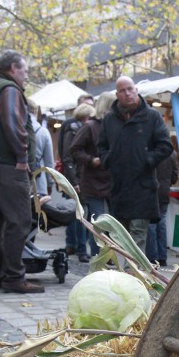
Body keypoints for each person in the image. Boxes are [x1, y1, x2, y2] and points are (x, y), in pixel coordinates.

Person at [0, 48, 43, 294]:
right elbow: (13, 123)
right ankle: (14, 277)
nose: (26, 75)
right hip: (7, 166)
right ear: (13, 69)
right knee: (19, 220)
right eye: (24, 70)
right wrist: (22, 157)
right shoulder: (9, 89)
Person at [98, 75, 172, 253]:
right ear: (117, 95)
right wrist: (108, 159)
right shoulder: (109, 119)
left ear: (136, 90)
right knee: (122, 237)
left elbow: (165, 145)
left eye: (130, 89)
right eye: (122, 91)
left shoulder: (152, 116)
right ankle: (129, 268)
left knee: (137, 237)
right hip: (119, 188)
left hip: (143, 187)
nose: (127, 93)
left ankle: (132, 269)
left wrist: (147, 159)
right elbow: (101, 146)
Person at [70, 93, 113, 257]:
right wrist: (90, 160)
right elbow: (74, 149)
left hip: (112, 182)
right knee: (98, 223)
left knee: (112, 223)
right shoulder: (89, 127)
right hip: (94, 183)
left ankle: (108, 256)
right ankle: (98, 257)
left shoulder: (114, 125)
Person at [60, 94, 93, 260]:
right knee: (79, 213)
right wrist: (73, 180)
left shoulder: (77, 128)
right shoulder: (71, 128)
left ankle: (75, 246)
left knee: (79, 213)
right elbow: (67, 157)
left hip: (81, 178)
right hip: (76, 178)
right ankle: (78, 247)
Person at [146, 147, 179, 268]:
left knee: (151, 224)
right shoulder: (171, 153)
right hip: (164, 191)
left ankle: (152, 257)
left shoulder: (149, 150)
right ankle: (162, 257)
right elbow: (175, 175)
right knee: (162, 222)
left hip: (150, 191)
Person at [27, 99, 54, 197]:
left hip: (18, 179)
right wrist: (50, 182)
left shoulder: (14, 129)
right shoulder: (43, 132)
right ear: (35, 111)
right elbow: (49, 161)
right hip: (39, 181)